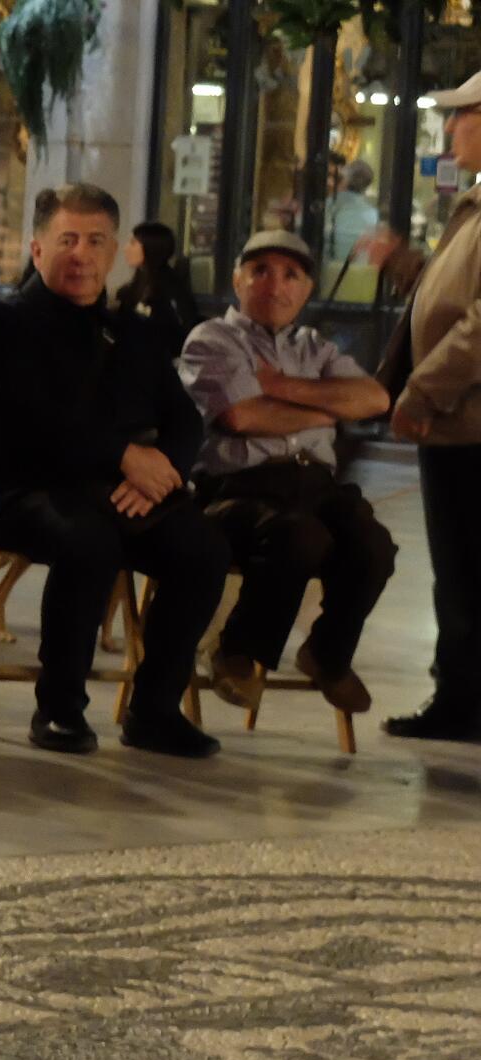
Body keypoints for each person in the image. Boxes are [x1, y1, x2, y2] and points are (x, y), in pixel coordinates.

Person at [0, 181, 229, 758]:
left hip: (126, 490)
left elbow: (184, 417)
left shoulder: (134, 330)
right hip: (29, 487)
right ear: (37, 250)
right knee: (90, 541)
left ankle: (154, 710)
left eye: (95, 240)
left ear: (114, 252)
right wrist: (120, 457)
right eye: (66, 239)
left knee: (202, 549)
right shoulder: (4, 322)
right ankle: (59, 709)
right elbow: (11, 418)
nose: (80, 253)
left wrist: (164, 469)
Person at [177, 230, 394, 715]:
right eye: (261, 272)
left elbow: (376, 399)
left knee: (373, 544)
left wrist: (279, 386)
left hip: (316, 483)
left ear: (307, 290)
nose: (275, 285)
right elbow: (242, 417)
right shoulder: (212, 339)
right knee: (300, 536)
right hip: (240, 486)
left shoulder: (314, 347)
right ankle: (238, 652)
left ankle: (326, 654)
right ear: (237, 280)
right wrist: (329, 408)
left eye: (290, 275)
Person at [382, 70, 481, 741]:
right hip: (457, 420)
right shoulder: (473, 203)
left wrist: (422, 389)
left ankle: (463, 702)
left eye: (462, 116)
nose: (449, 129)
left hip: (468, 421)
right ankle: (459, 695)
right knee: (460, 569)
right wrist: (410, 270)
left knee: (469, 567)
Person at [116, 221, 200, 363]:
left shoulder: (170, 290)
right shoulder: (131, 289)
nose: (126, 248)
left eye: (133, 243)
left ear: (150, 247)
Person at [325, 158, 380, 267]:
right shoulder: (373, 214)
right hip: (361, 276)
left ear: (344, 180)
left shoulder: (329, 206)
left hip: (328, 274)